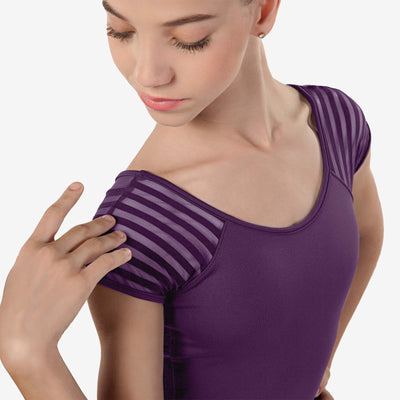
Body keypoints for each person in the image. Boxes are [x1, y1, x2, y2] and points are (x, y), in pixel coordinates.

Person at [0, 0, 384, 399]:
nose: (147, 74)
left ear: (263, 11)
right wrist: (28, 356)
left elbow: (368, 233)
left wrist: (316, 367)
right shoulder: (140, 227)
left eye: (188, 39)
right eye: (120, 31)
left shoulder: (335, 123)